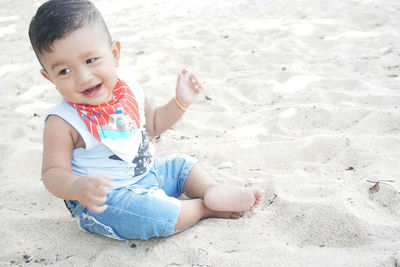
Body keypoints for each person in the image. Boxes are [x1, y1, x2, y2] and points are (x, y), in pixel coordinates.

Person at [28, 0, 264, 241]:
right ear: (49, 77)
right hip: (106, 200)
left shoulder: (129, 89)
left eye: (91, 60)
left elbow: (153, 125)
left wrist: (180, 102)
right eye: (64, 71)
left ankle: (211, 190)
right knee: (154, 216)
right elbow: (52, 173)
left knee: (183, 165)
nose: (83, 77)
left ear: (114, 53)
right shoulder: (63, 122)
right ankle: (205, 208)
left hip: (148, 174)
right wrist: (76, 188)